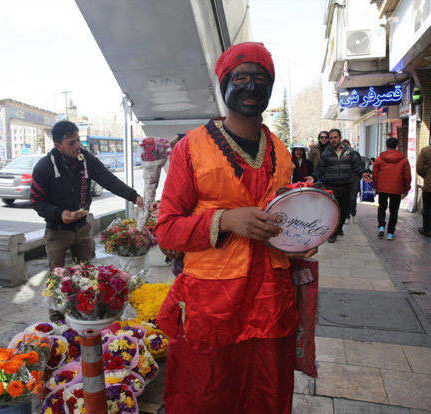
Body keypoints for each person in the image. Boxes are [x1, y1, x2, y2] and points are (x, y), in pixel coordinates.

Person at [155, 41, 317, 414]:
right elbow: (166, 230)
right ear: (224, 85)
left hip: (270, 301)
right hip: (212, 306)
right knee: (209, 394)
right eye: (240, 77)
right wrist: (225, 219)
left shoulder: (281, 151)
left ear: (269, 89)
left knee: (266, 394)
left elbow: (285, 219)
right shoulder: (190, 149)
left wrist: (300, 241)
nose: (250, 86)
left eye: (260, 78)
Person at [30, 120, 144, 268]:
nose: (78, 146)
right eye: (71, 143)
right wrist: (59, 213)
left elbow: (109, 180)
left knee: (87, 275)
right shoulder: (44, 167)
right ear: (58, 146)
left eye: (78, 140)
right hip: (57, 232)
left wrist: (134, 197)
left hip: (83, 228)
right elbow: (36, 201)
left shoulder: (86, 160)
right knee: (58, 278)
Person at [308, 129, 370, 243]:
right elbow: (320, 168)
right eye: (331, 138)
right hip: (331, 186)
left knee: (343, 210)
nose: (333, 140)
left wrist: (362, 174)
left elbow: (357, 166)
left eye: (335, 137)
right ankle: (333, 233)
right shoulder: (326, 153)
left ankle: (339, 227)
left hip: (345, 186)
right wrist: (314, 177)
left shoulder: (349, 152)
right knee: (334, 210)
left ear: (340, 137)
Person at [372, 137, 411, 240]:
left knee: (381, 207)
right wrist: (406, 188)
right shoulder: (403, 160)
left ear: (386, 145)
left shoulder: (379, 159)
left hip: (383, 188)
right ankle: (390, 233)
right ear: (396, 145)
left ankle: (381, 227)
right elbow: (407, 176)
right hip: (396, 189)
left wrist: (376, 187)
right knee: (394, 211)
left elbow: (375, 175)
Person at [342, 139, 362, 224]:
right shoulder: (340, 155)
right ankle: (347, 216)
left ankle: (353, 214)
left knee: (353, 199)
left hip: (354, 180)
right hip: (345, 180)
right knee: (346, 199)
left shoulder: (355, 154)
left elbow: (360, 166)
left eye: (347, 145)